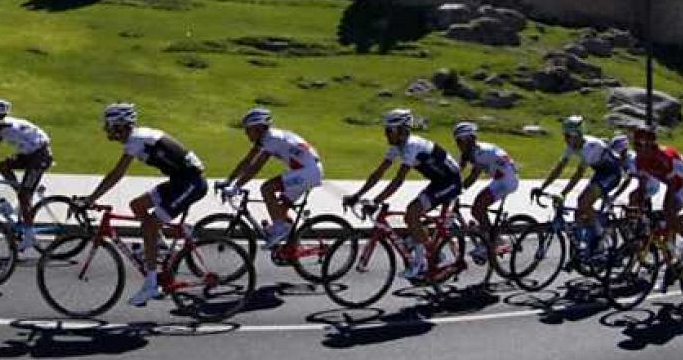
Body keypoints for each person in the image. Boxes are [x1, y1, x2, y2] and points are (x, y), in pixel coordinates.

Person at [81, 103, 206, 306]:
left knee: (149, 225)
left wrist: (91, 198)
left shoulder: (136, 140)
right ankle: (162, 248)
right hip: (180, 181)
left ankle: (151, 284)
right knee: (137, 205)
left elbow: (116, 174)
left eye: (109, 125)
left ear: (121, 125)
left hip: (191, 184)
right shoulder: (139, 136)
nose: (106, 129)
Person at [344, 108, 462, 280]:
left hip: (451, 181)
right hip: (438, 181)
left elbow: (399, 180)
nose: (386, 135)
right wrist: (358, 194)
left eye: (389, 131)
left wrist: (377, 201)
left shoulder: (412, 146)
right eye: (386, 130)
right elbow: (379, 173)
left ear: (403, 130)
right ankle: (433, 252)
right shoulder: (397, 146)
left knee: (413, 213)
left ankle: (420, 264)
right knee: (410, 216)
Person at [215, 107, 323, 252]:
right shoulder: (265, 138)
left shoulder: (273, 139)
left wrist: (236, 187)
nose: (246, 133)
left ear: (260, 128)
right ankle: (291, 248)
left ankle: (280, 230)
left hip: (308, 172)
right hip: (305, 171)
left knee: (267, 188)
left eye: (249, 130)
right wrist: (229, 181)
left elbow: (255, 167)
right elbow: (247, 161)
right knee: (280, 210)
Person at [0, 99, 53, 250]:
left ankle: (29, 237)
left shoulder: (2, 126)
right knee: (3, 166)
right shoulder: (6, 123)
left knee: (24, 197)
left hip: (40, 156)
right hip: (31, 154)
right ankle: (21, 193)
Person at [533, 116, 623, 249]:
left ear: (577, 135)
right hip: (599, 173)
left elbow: (578, 174)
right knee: (579, 211)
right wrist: (542, 187)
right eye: (565, 135)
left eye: (568, 136)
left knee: (583, 202)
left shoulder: (590, 147)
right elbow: (559, 168)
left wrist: (563, 193)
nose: (565, 139)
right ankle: (582, 248)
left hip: (612, 174)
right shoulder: (571, 146)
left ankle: (600, 233)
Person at [630, 127, 683, 267]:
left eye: (639, 145)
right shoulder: (639, 159)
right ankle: (669, 245)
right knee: (638, 200)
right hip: (670, 182)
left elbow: (672, 185)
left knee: (669, 211)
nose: (636, 148)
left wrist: (667, 210)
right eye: (634, 144)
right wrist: (639, 209)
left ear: (649, 145)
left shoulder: (663, 157)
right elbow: (643, 185)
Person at [453, 121, 519, 260]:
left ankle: (492, 242)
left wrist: (456, 191)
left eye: (461, 141)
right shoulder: (467, 152)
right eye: (457, 141)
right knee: (477, 208)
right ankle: (488, 232)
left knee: (478, 207)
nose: (458, 144)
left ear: (471, 139)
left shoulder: (481, 153)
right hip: (499, 178)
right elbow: (457, 172)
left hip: (507, 180)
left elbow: (473, 177)